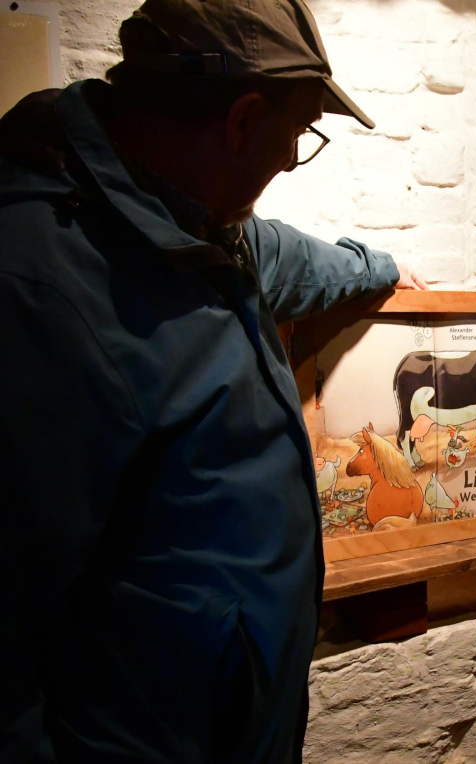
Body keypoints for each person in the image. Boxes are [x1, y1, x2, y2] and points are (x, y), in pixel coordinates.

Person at [0, 0, 428, 760]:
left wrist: (383, 270)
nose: (287, 161)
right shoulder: (40, 288)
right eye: (295, 138)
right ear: (242, 120)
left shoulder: (202, 232)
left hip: (232, 724)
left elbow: (295, 260)